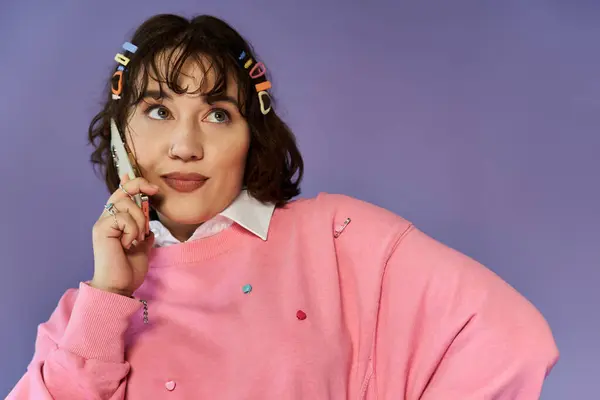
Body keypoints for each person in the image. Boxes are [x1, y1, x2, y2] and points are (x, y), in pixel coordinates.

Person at [8, 13, 559, 400]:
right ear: (120, 135)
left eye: (218, 113)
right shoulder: (83, 316)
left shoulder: (336, 238)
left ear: (253, 134)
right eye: (157, 110)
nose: (185, 145)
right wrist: (109, 297)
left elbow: (510, 339)